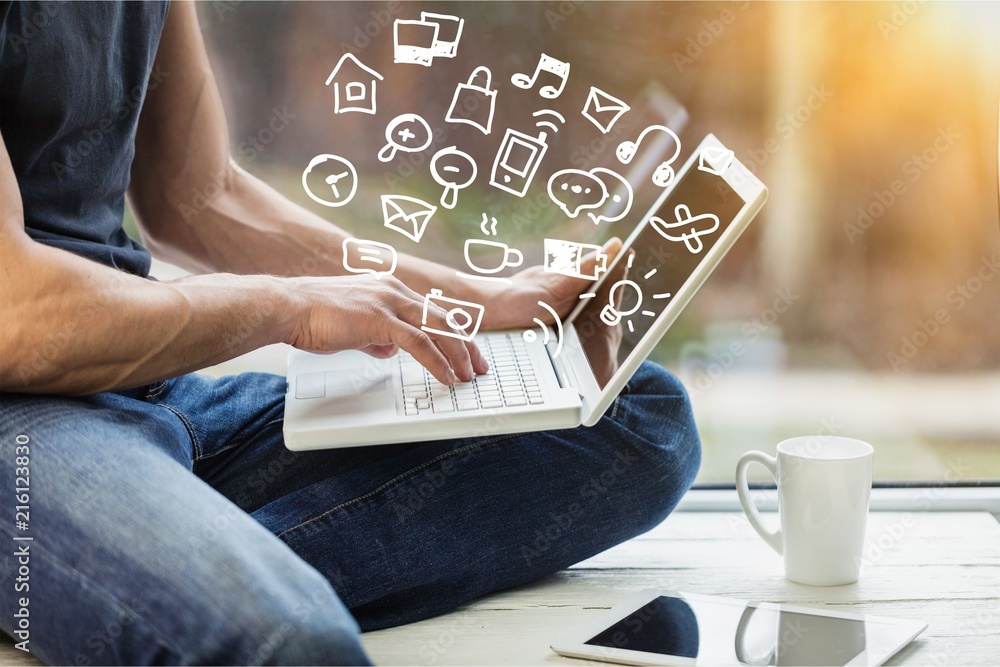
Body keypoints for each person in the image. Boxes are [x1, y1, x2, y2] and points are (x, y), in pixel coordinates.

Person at [0, 2, 700, 664]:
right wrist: (292, 305)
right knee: (288, 643)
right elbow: (17, 317)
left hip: (148, 388)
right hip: (22, 428)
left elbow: (200, 194)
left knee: (638, 416)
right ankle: (156, 587)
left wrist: (482, 301)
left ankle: (123, 589)